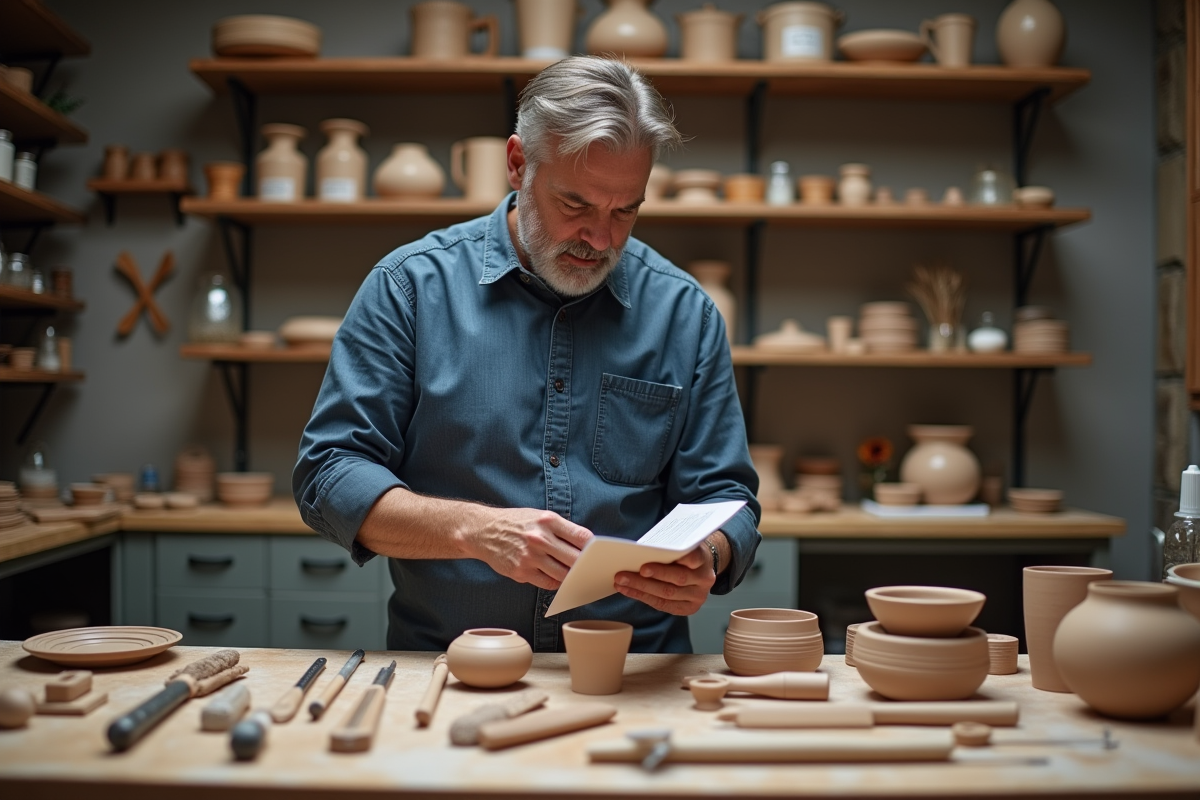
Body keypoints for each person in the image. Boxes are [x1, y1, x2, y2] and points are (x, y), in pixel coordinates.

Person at [293, 56, 761, 654]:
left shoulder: (684, 314)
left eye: (626, 211)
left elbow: (728, 498)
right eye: (576, 205)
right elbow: (328, 474)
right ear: (517, 164)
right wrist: (476, 530)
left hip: (635, 676)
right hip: (450, 665)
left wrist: (710, 555)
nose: (601, 239)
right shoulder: (409, 288)